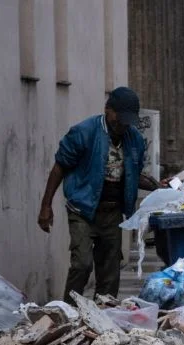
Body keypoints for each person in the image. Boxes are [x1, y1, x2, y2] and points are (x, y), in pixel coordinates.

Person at [38, 87, 160, 302]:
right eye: (119, 118)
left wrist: (159, 186)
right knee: (82, 263)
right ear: (107, 110)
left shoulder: (135, 140)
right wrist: (46, 206)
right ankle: (68, 312)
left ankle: (104, 317)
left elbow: (132, 175)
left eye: (127, 120)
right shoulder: (84, 132)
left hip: (112, 212)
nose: (122, 124)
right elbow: (59, 168)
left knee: (110, 271)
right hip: (82, 210)